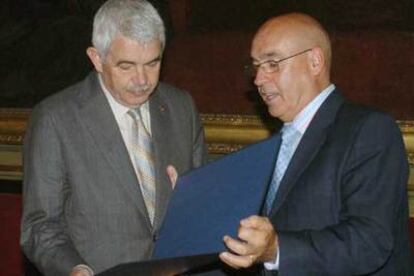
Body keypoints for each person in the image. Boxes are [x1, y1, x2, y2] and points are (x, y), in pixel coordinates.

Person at [20, 0, 206, 275]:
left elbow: (207, 198)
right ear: (97, 58)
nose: (142, 79)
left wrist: (191, 199)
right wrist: (75, 269)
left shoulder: (181, 107)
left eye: (152, 63)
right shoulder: (55, 119)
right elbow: (40, 224)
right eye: (126, 66)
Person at [219, 13, 412, 275]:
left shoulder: (369, 131)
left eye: (272, 63)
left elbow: (369, 242)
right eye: (256, 66)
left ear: (315, 61)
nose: (258, 80)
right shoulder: (273, 146)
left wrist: (277, 249)